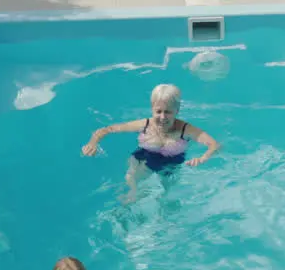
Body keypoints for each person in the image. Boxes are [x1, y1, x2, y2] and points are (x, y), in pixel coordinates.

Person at [81, 84, 221, 196]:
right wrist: (92, 142)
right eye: (158, 111)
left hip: (172, 162)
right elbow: (108, 129)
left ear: (177, 111)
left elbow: (214, 144)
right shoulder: (145, 124)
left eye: (168, 112)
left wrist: (202, 158)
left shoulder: (185, 129)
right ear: (152, 109)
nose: (162, 117)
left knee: (167, 194)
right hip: (144, 156)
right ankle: (132, 201)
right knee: (130, 182)